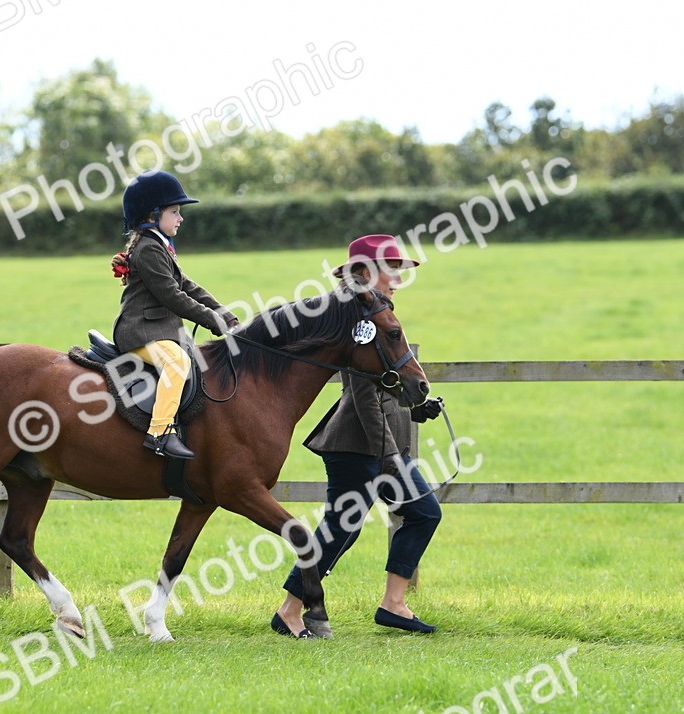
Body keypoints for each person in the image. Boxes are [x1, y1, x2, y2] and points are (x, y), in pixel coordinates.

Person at [270, 234, 445, 639]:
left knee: (356, 526)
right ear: (366, 272)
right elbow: (363, 390)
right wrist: (388, 455)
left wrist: (417, 406)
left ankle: (390, 604)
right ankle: (293, 610)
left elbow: (385, 379)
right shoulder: (357, 318)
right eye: (391, 268)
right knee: (346, 527)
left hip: (373, 443)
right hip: (357, 443)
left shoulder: (371, 309)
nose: (398, 277)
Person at [110, 170, 239, 460]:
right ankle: (159, 433)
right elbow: (172, 296)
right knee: (178, 362)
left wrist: (225, 314)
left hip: (158, 330)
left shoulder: (159, 246)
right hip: (140, 331)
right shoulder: (148, 249)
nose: (180, 218)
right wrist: (212, 321)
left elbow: (188, 286)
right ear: (152, 215)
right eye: (175, 212)